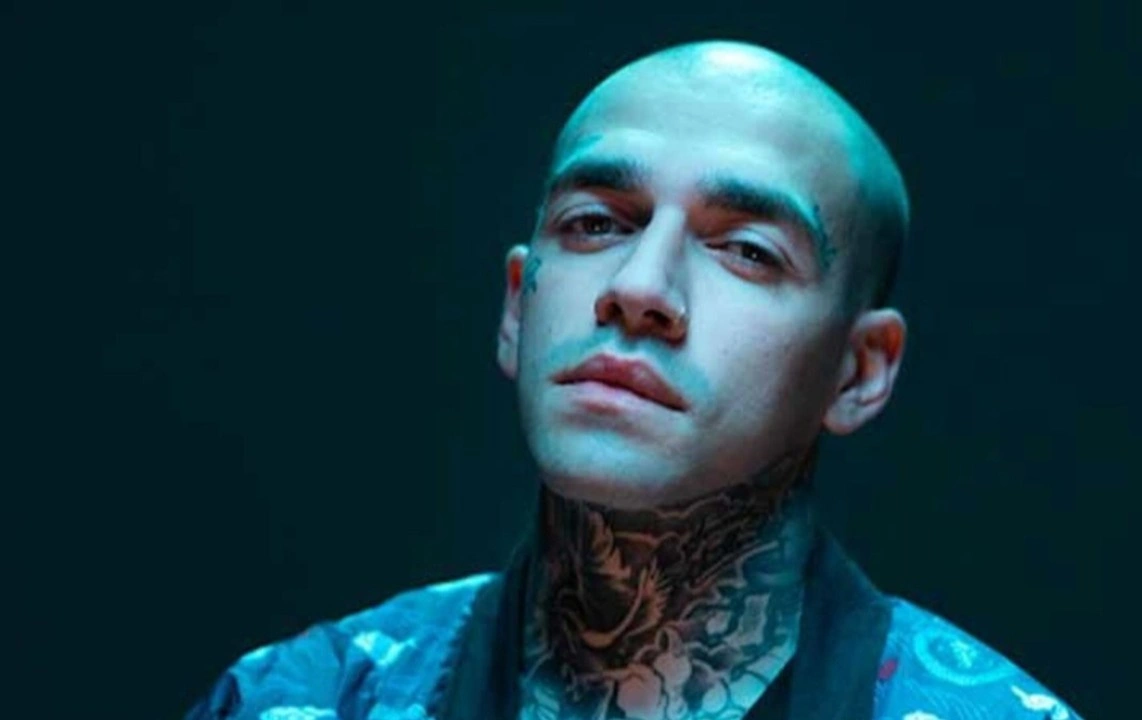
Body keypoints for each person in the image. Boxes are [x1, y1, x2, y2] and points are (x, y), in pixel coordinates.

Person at [187, 40, 1082, 720]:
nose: (640, 287)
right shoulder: (297, 702)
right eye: (595, 224)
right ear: (516, 308)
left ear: (858, 372)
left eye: (746, 250)